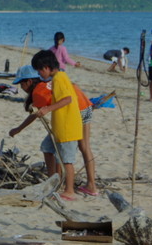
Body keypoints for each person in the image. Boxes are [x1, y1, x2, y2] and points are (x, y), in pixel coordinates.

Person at [8, 65, 98, 196]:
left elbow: (34, 114)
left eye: (21, 84)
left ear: (29, 81)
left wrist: (18, 129)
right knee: (84, 147)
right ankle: (91, 185)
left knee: (61, 149)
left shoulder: (39, 92)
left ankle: (58, 183)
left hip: (75, 111)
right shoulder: (50, 82)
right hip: (85, 104)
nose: (21, 88)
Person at [29, 50, 83, 202]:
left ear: (46, 67)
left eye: (40, 71)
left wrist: (47, 109)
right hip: (58, 127)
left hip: (67, 127)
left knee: (67, 160)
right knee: (47, 148)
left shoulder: (59, 79)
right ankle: (54, 180)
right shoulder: (60, 77)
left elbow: (67, 99)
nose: (40, 74)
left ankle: (70, 190)